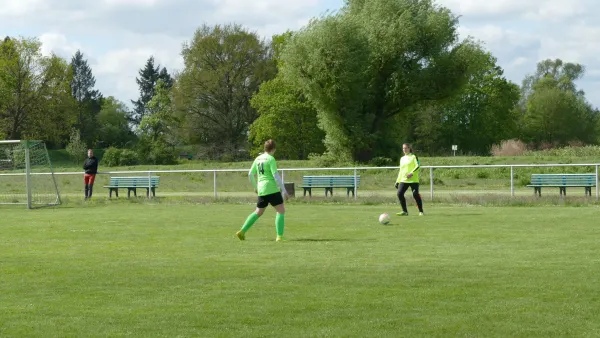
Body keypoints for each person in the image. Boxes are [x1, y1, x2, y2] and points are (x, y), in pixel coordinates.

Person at [236, 139, 289, 242]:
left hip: (261, 189)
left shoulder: (258, 158)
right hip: (271, 188)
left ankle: (242, 231)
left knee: (258, 212)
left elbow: (250, 174)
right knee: (281, 210)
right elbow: (275, 175)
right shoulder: (271, 159)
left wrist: (256, 187)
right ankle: (280, 236)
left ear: (265, 148)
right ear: (273, 149)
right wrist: (284, 190)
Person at [395, 143, 424, 216]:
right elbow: (401, 170)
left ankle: (421, 211)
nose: (404, 149)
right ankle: (405, 211)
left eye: (406, 148)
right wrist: (397, 181)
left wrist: (412, 173)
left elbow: (418, 166)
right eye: (403, 148)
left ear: (409, 148)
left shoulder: (414, 157)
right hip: (404, 180)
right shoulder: (402, 158)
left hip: (413, 180)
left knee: (415, 194)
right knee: (399, 194)